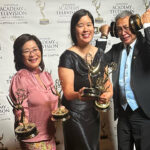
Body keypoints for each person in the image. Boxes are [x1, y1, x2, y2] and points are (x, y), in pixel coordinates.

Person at [58, 9, 113, 150]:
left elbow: (107, 85)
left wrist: (107, 95)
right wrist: (78, 94)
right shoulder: (67, 56)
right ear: (73, 29)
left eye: (89, 24)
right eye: (80, 25)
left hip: (92, 112)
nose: (85, 29)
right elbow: (68, 92)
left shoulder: (100, 54)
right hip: (74, 114)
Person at [100, 9, 150, 150]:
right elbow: (96, 64)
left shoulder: (145, 45)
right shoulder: (116, 50)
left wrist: (147, 26)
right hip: (123, 115)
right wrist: (104, 36)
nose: (123, 33)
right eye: (119, 29)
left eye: (127, 28)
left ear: (136, 26)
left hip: (144, 115)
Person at [9, 34, 58, 150]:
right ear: (20, 56)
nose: (32, 54)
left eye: (35, 49)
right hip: (34, 141)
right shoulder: (21, 78)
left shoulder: (46, 75)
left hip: (50, 137)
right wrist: (23, 122)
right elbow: (21, 109)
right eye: (26, 51)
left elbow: (55, 104)